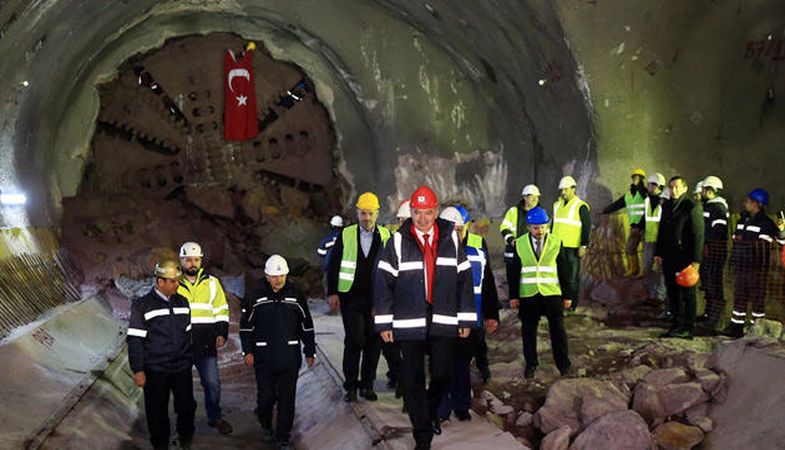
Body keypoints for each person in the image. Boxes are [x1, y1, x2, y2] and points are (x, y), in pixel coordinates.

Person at [374, 186, 475, 450]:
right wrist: (384, 322)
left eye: (428, 212)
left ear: (436, 212)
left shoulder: (451, 238)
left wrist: (465, 319)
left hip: (443, 316)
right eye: (417, 213)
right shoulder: (397, 241)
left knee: (443, 374)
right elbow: (383, 283)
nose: (422, 218)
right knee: (413, 379)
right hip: (409, 320)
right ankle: (422, 435)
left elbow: (464, 280)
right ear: (411, 212)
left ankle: (427, 413)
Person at [240, 255, 315, 450]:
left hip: (289, 357)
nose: (278, 280)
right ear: (266, 276)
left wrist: (309, 350)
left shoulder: (295, 295)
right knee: (265, 397)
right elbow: (246, 327)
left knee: (286, 399)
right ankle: (265, 423)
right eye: (274, 276)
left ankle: (283, 437)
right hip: (264, 357)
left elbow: (306, 325)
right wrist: (247, 351)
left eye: (281, 276)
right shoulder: (255, 295)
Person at [327, 192, 395, 402]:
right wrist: (333, 292)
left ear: (377, 213)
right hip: (351, 297)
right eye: (363, 213)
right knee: (355, 339)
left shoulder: (386, 236)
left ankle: (367, 385)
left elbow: (392, 269)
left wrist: (387, 300)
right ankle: (351, 386)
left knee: (373, 343)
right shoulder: (346, 235)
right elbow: (334, 264)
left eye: (370, 213)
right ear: (357, 213)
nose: (367, 218)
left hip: (377, 300)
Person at [436, 206, 499, 422]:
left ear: (467, 227)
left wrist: (492, 314)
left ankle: (461, 405)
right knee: (443, 362)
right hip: (443, 317)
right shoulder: (435, 246)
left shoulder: (478, 244)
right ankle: (442, 409)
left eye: (460, 229)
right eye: (452, 230)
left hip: (472, 315)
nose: (457, 234)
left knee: (462, 362)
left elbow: (487, 280)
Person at [127, 260, 196, 450]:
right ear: (160, 281)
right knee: (156, 412)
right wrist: (138, 369)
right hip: (156, 369)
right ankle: (160, 444)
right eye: (173, 281)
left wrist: (189, 357)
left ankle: (185, 437)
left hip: (181, 368)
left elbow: (188, 333)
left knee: (187, 406)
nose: (177, 284)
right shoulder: (142, 306)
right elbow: (135, 340)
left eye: (178, 280)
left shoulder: (183, 302)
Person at [508, 206, 572, 379]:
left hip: (551, 293)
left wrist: (567, 295)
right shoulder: (520, 243)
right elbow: (513, 272)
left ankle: (564, 365)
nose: (540, 231)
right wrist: (513, 296)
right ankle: (531, 365)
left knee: (558, 331)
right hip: (528, 295)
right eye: (536, 228)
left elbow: (564, 270)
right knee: (528, 332)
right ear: (528, 227)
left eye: (543, 227)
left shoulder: (556, 242)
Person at [176, 242, 233, 435]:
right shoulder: (174, 283)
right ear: (181, 261)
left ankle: (215, 417)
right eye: (188, 260)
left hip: (206, 342)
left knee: (212, 383)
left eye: (196, 259)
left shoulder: (212, 283)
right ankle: (184, 423)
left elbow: (221, 309)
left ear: (201, 261)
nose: (192, 263)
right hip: (181, 344)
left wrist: (222, 332)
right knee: (181, 387)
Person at [654, 176, 704, 340]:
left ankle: (688, 328)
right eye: (671, 187)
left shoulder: (692, 206)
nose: (673, 190)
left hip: (685, 258)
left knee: (687, 294)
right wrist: (658, 253)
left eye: (677, 187)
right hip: (669, 257)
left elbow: (698, 235)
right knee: (673, 293)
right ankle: (676, 325)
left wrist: (696, 261)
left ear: (685, 188)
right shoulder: (667, 205)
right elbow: (662, 231)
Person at [726, 188, 779, 337]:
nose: (745, 203)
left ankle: (756, 330)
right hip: (741, 265)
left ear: (757, 203)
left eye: (748, 201)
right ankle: (736, 328)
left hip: (757, 268)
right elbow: (737, 238)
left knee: (757, 299)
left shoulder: (766, 223)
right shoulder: (743, 219)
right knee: (740, 297)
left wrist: (745, 241)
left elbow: (767, 243)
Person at [550, 176, 591, 311]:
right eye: (561, 190)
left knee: (572, 277)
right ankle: (563, 301)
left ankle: (572, 304)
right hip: (557, 246)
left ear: (573, 189)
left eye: (566, 189)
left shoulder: (581, 206)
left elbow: (586, 227)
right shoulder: (557, 205)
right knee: (560, 275)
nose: (563, 192)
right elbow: (553, 225)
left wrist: (583, 245)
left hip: (573, 247)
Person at [602, 168, 648, 277]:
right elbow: (617, 204)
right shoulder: (628, 195)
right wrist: (604, 211)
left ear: (642, 179)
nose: (635, 179)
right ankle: (634, 269)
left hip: (645, 227)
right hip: (634, 227)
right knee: (629, 248)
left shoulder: (645, 193)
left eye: (638, 177)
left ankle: (644, 271)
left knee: (647, 251)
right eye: (634, 177)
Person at [500, 184, 542, 298]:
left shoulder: (540, 213)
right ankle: (514, 301)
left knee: (529, 282)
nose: (535, 199)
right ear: (525, 197)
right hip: (514, 253)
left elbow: (544, 232)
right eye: (532, 196)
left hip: (532, 255)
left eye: (537, 197)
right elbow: (504, 228)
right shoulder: (513, 211)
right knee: (513, 280)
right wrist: (512, 240)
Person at [698, 176, 729, 326]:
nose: (701, 192)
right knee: (708, 282)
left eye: (704, 189)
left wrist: (707, 244)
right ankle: (709, 314)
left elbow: (718, 230)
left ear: (710, 190)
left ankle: (716, 319)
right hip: (709, 249)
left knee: (714, 283)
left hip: (714, 251)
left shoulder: (718, 207)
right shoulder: (709, 206)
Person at [641, 173, 667, 308]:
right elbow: (644, 219)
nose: (650, 187)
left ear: (660, 187)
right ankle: (651, 296)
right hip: (648, 240)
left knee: (660, 269)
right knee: (647, 268)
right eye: (650, 185)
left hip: (661, 241)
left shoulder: (665, 202)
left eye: (653, 185)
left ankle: (660, 297)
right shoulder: (646, 201)